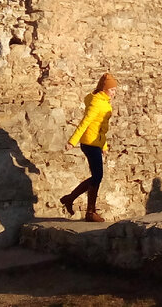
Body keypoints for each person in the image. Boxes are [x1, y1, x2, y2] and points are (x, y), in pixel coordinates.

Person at [60, 72, 117, 222]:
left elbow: (100, 127)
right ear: (104, 89)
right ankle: (87, 210)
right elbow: (85, 122)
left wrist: (104, 145)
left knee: (96, 177)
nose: (114, 92)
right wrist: (72, 142)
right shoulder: (97, 103)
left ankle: (75, 203)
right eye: (112, 90)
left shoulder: (104, 101)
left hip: (96, 143)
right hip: (90, 144)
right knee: (97, 176)